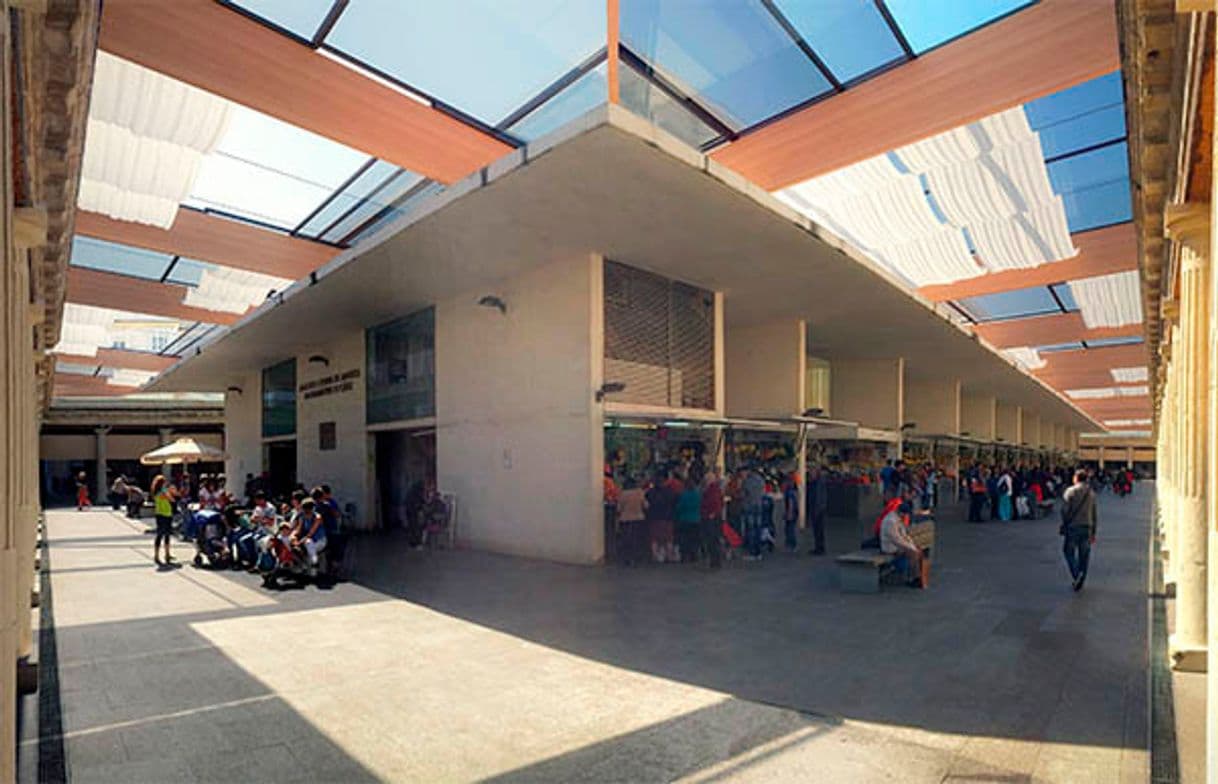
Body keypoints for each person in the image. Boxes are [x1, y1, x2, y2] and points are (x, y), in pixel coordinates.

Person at [1060, 470, 1098, 591]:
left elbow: (1064, 510)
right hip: (1087, 527)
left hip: (1073, 527)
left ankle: (1077, 574)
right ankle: (1081, 578)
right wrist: (1093, 532)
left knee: (1068, 551)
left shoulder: (1070, 491)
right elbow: (1094, 514)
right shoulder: (1091, 493)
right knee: (1084, 555)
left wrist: (1065, 522)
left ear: (1076, 478)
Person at [880, 500, 924, 588]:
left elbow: (904, 535)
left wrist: (912, 545)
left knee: (916, 551)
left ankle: (916, 577)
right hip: (890, 547)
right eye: (904, 514)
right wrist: (910, 548)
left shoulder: (898, 519)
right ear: (900, 512)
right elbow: (896, 540)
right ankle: (914, 578)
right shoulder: (890, 521)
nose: (905, 516)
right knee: (913, 553)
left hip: (897, 545)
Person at [645, 472, 677, 563]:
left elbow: (647, 504)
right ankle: (669, 556)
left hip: (654, 517)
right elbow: (674, 503)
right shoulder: (670, 492)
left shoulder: (650, 492)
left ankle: (656, 556)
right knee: (668, 538)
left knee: (655, 538)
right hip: (668, 518)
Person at [291, 498, 327, 575]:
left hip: (319, 540)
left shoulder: (318, 517)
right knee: (300, 544)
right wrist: (293, 536)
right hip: (307, 539)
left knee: (309, 543)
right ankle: (305, 566)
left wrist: (300, 542)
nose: (306, 512)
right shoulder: (302, 516)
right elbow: (299, 529)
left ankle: (314, 563)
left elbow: (310, 533)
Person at [616, 477, 647, 566]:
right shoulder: (640, 492)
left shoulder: (622, 494)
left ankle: (627, 558)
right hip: (638, 519)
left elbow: (619, 509)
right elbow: (646, 505)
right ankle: (637, 557)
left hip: (625, 519)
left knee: (626, 539)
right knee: (637, 539)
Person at [674, 478, 703, 563]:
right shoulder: (698, 495)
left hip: (684, 519)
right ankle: (694, 555)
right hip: (696, 519)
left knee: (684, 539)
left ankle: (684, 556)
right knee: (694, 539)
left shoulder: (683, 495)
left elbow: (679, 507)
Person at [151, 475, 178, 566]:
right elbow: (172, 499)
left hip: (159, 514)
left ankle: (158, 555)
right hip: (165, 515)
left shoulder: (156, 492)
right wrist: (171, 491)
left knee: (161, 535)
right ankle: (165, 554)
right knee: (165, 535)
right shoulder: (163, 492)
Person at [700, 471, 724, 569]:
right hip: (712, 516)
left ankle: (715, 560)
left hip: (711, 517)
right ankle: (715, 560)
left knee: (712, 540)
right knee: (713, 540)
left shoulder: (712, 490)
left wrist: (712, 514)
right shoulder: (714, 489)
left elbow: (715, 503)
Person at [806, 465, 827, 555]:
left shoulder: (818, 483)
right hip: (816, 508)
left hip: (817, 509)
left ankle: (820, 548)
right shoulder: (815, 482)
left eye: (812, 471)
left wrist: (817, 509)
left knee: (818, 529)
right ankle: (819, 547)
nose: (810, 473)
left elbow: (818, 496)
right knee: (817, 530)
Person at [782, 474, 799, 552]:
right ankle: (791, 544)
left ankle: (792, 544)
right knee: (790, 528)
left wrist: (789, 513)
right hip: (794, 511)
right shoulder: (794, 491)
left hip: (791, 512)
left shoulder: (790, 491)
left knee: (790, 529)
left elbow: (790, 502)